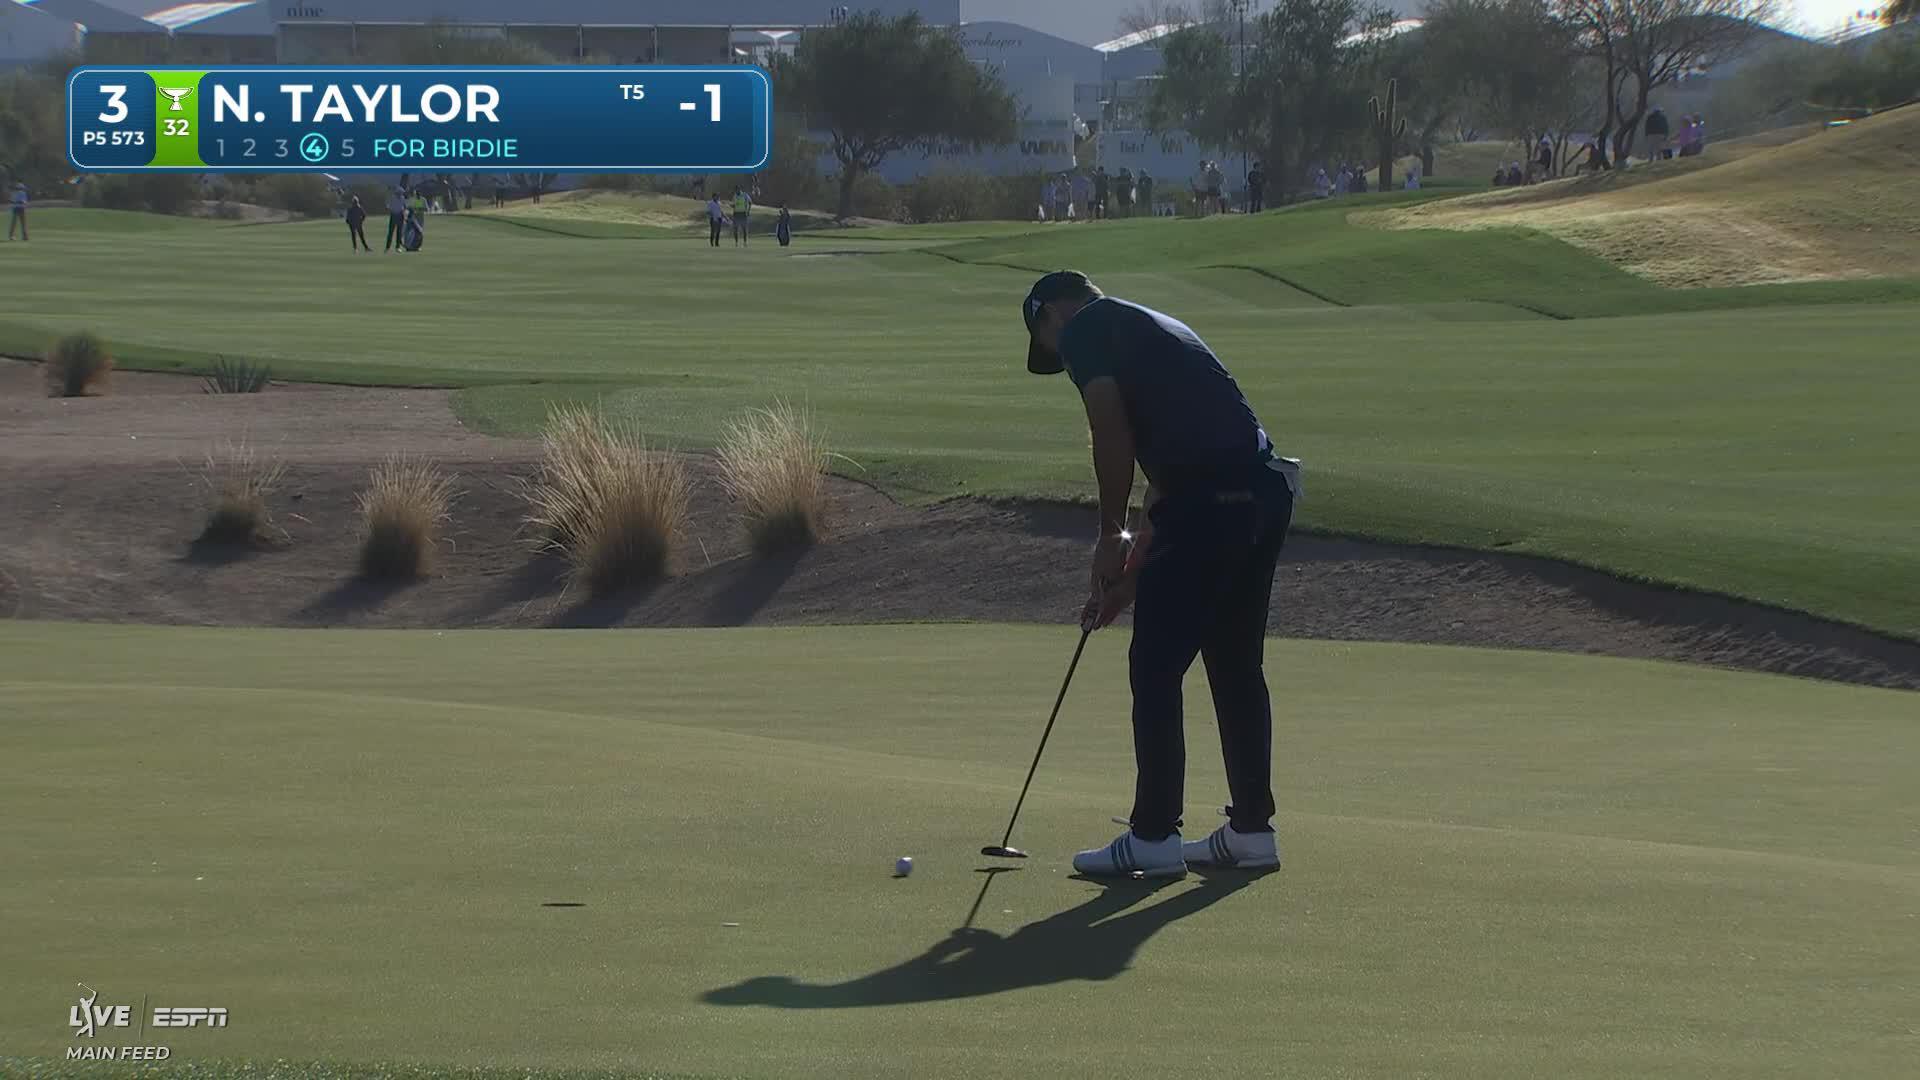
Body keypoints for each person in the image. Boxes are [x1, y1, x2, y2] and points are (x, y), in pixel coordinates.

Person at [1017, 269, 1299, 878]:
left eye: (1049, 345)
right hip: (1261, 494)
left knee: (1155, 665)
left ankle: (1153, 837)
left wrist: (1107, 534)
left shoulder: (1085, 327)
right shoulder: (1155, 328)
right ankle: (1252, 832)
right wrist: (1129, 577)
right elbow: (1167, 488)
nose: (1063, 360)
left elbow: (1110, 432)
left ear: (1050, 315)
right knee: (1235, 664)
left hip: (1210, 502)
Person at [383, 184, 407, 253]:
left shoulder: (402, 198)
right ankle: (387, 248)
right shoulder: (392, 198)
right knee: (391, 232)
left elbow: (404, 206)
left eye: (401, 193)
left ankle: (398, 247)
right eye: (400, 193)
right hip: (393, 215)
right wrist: (388, 208)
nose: (401, 194)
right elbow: (388, 206)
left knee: (399, 232)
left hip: (400, 215)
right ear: (397, 192)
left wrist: (404, 213)